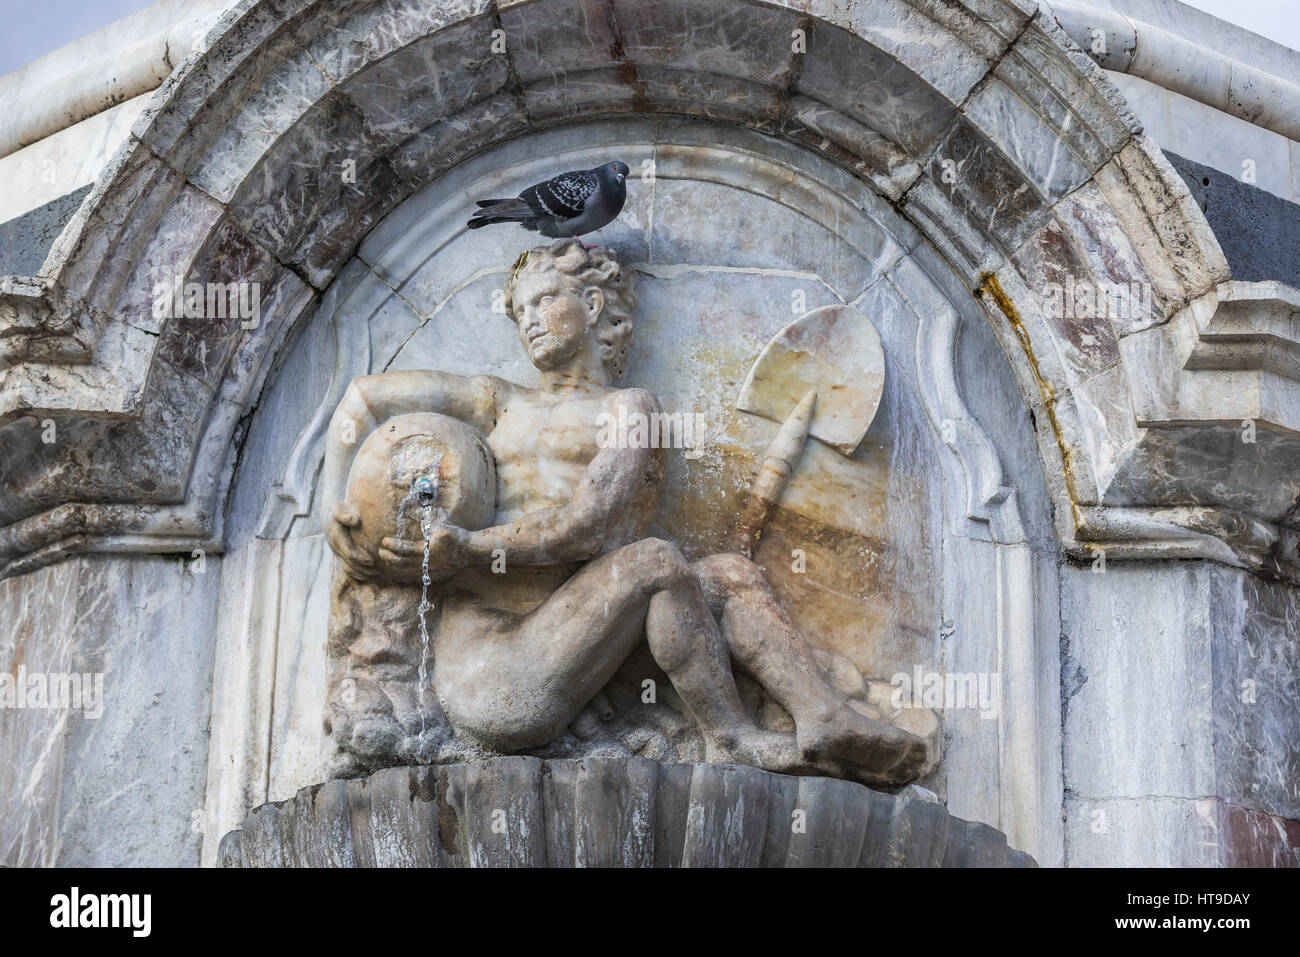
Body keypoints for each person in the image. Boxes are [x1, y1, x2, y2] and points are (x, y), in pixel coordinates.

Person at [322, 241, 929, 785]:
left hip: (565, 649)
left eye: (545, 300)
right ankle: (732, 738)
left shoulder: (632, 409)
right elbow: (363, 399)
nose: (529, 320)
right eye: (520, 310)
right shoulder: (496, 401)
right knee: (657, 563)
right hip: (490, 675)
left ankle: (823, 715)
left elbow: (593, 522)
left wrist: (470, 546)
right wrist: (337, 509)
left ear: (591, 303)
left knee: (727, 574)